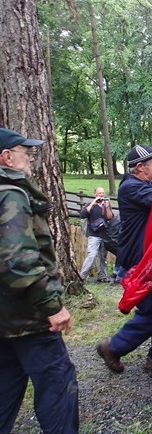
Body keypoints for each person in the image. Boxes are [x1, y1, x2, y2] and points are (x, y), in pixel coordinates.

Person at [0, 128, 79, 434]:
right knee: (57, 383)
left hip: (5, 319)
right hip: (27, 316)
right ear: (7, 157)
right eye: (25, 153)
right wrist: (52, 306)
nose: (31, 159)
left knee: (6, 383)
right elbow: (17, 262)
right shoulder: (10, 194)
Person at [96, 143, 152, 373]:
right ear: (139, 167)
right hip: (141, 259)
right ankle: (113, 347)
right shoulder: (131, 188)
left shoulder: (142, 183)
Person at [78, 187, 113, 282]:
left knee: (103, 256)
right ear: (95, 194)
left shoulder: (106, 205)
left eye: (102, 193)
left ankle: (102, 276)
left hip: (104, 234)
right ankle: (81, 276)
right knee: (92, 255)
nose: (101, 195)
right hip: (93, 234)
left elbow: (110, 217)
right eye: (99, 193)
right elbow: (83, 215)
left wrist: (107, 206)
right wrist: (94, 202)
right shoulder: (90, 205)